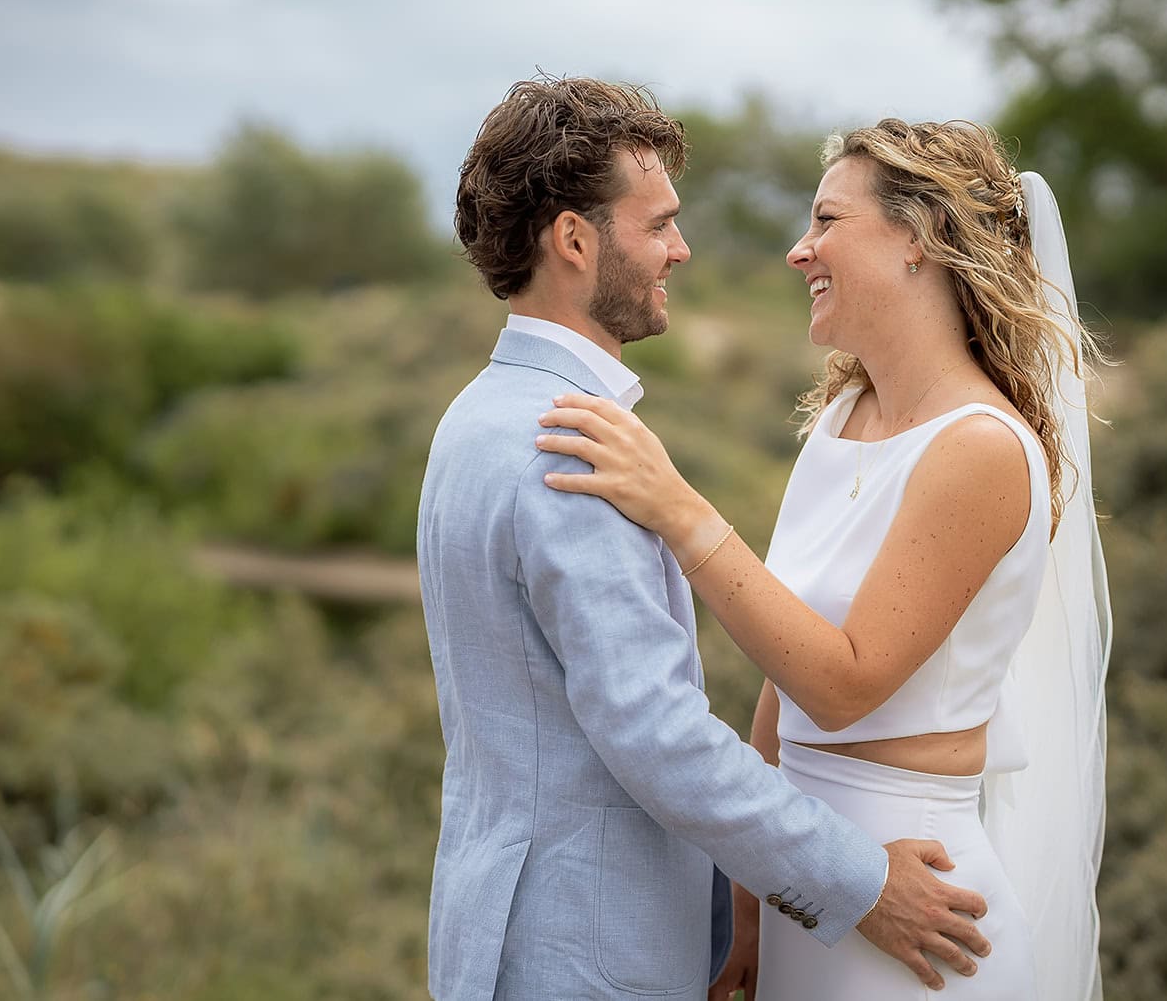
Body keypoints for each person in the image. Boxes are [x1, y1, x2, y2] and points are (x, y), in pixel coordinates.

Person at [417, 81, 999, 1000]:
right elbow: (657, 734)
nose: (681, 249)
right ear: (574, 240)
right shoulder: (570, 445)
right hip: (583, 953)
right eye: (658, 225)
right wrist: (861, 883)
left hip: (504, 929)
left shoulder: (477, 415)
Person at [537, 118, 1111, 999]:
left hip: (921, 910)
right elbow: (787, 676)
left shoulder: (981, 448)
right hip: (815, 893)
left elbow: (843, 685)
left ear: (920, 238)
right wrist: (754, 901)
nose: (799, 250)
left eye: (827, 220)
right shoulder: (844, 417)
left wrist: (677, 507)